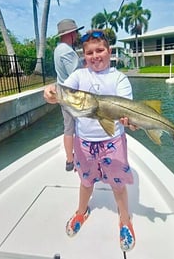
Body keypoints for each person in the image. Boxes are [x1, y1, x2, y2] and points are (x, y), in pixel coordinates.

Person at [44, 29, 136, 252]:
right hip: (84, 143)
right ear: (84, 55)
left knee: (118, 185)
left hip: (113, 142)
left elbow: (127, 111)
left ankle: (125, 220)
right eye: (90, 52)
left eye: (100, 50)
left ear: (109, 51)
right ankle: (81, 211)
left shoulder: (119, 79)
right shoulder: (78, 76)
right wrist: (49, 92)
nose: (95, 56)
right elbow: (59, 90)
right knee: (86, 183)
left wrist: (130, 121)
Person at [53, 18, 84, 171]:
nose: (78, 35)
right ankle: (78, 160)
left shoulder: (58, 49)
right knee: (78, 128)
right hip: (72, 97)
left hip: (62, 94)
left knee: (68, 128)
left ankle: (69, 160)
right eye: (76, 32)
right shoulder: (67, 51)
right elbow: (76, 75)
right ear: (71, 33)